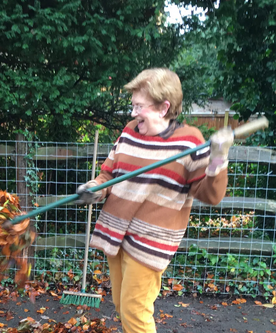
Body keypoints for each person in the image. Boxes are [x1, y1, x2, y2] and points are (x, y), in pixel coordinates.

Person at [76, 68, 233, 333]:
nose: (133, 113)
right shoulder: (129, 132)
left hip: (151, 240)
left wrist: (218, 158)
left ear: (163, 107)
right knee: (121, 305)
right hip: (116, 233)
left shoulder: (189, 141)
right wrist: (95, 188)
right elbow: (109, 173)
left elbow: (211, 195)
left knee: (134, 311)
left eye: (139, 106)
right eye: (133, 105)